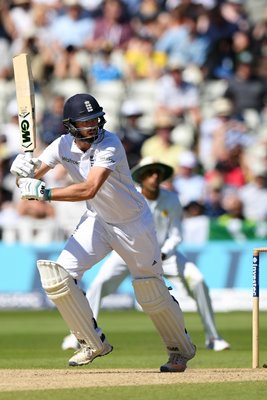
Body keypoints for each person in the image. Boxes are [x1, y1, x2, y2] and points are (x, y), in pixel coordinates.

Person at [10, 93, 196, 373]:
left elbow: (89, 188)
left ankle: (180, 350)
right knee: (57, 276)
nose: (93, 125)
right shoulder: (61, 145)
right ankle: (91, 343)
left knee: (149, 290)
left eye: (95, 118)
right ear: (71, 125)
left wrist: (45, 193)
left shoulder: (109, 143)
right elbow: (28, 181)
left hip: (134, 224)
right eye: (85, 122)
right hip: (97, 221)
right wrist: (22, 172)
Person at [61, 157, 230, 352]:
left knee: (199, 281)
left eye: (158, 172)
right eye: (150, 172)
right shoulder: (129, 196)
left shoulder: (172, 199)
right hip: (128, 250)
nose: (155, 177)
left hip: (165, 255)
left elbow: (176, 234)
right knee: (99, 285)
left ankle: (213, 337)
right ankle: (82, 336)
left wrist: (165, 252)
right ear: (141, 176)